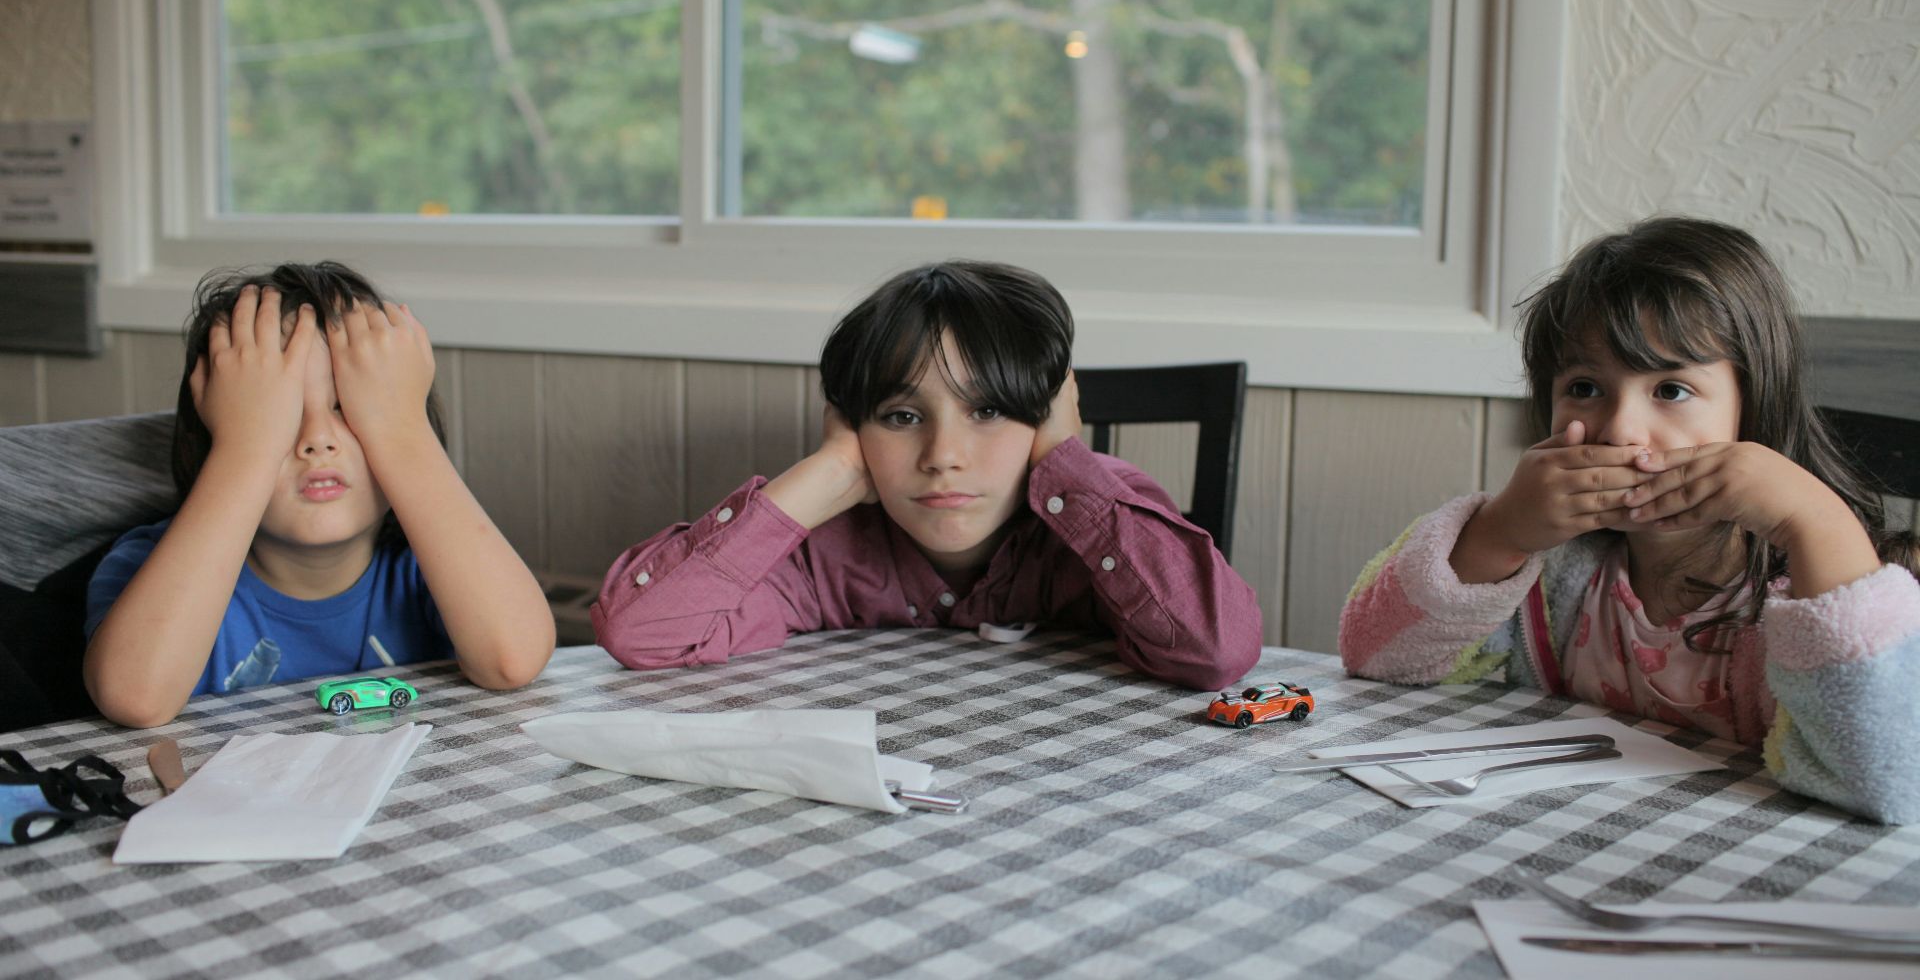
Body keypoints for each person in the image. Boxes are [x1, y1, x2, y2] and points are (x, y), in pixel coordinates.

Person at [1339, 217, 1920, 823]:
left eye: (1670, 390)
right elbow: (1378, 660)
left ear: (1755, 408)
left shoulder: (1824, 587)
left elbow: (1891, 778)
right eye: (1586, 387)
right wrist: (1500, 531)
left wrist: (1815, 520)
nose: (1620, 431)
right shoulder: (1549, 572)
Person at [593, 260, 1262, 690]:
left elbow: (1218, 650)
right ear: (853, 429)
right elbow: (640, 633)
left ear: (1049, 416)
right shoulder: (821, 554)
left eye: (990, 410)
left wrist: (1065, 459)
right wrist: (825, 474)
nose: (944, 454)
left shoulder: (1098, 514)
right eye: (902, 416)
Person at [85, 263, 554, 727]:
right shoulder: (146, 565)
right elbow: (136, 698)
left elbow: (512, 661)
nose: (317, 440)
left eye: (348, 409)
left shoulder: (430, 568)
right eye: (280, 417)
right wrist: (246, 448)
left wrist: (402, 431)